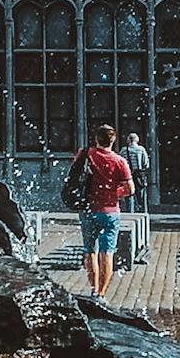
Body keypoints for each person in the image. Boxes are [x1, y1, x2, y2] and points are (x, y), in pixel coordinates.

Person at [71, 123, 134, 298]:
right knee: (108, 252)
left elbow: (75, 175)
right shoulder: (120, 161)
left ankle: (93, 289)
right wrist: (115, 194)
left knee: (90, 250)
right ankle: (101, 293)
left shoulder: (86, 154)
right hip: (111, 211)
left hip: (89, 209)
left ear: (96, 139)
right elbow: (130, 189)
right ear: (113, 140)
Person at [123, 131, 150, 212]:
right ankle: (143, 211)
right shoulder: (141, 149)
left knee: (129, 194)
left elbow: (120, 163)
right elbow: (146, 163)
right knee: (141, 195)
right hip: (138, 175)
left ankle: (130, 211)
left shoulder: (124, 150)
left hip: (128, 175)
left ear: (128, 140)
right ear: (137, 140)